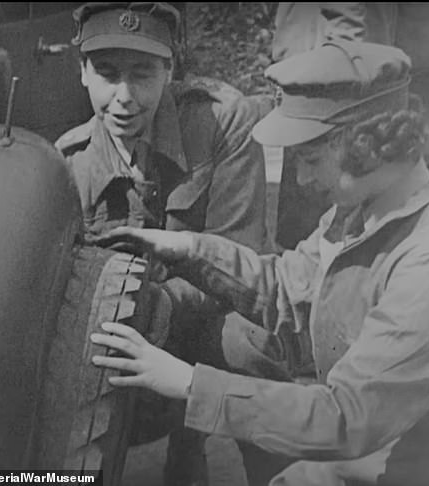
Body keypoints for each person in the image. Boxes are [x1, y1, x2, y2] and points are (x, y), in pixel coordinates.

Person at [89, 40, 429, 485]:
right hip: (372, 453)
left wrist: (190, 384)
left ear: (368, 145)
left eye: (309, 159)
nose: (303, 180)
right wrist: (189, 248)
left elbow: (347, 418)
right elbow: (285, 288)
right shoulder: (364, 211)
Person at [54, 3, 269, 485]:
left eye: (143, 74)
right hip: (120, 334)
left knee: (259, 343)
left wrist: (165, 304)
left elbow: (241, 256)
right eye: (107, 74)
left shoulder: (222, 124)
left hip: (207, 314)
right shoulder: (69, 164)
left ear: (170, 68)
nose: (124, 97)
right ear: (82, 71)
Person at [272, 2, 429, 249]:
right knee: (320, 199)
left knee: (387, 218)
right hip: (338, 62)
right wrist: (350, 73)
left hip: (352, 54)